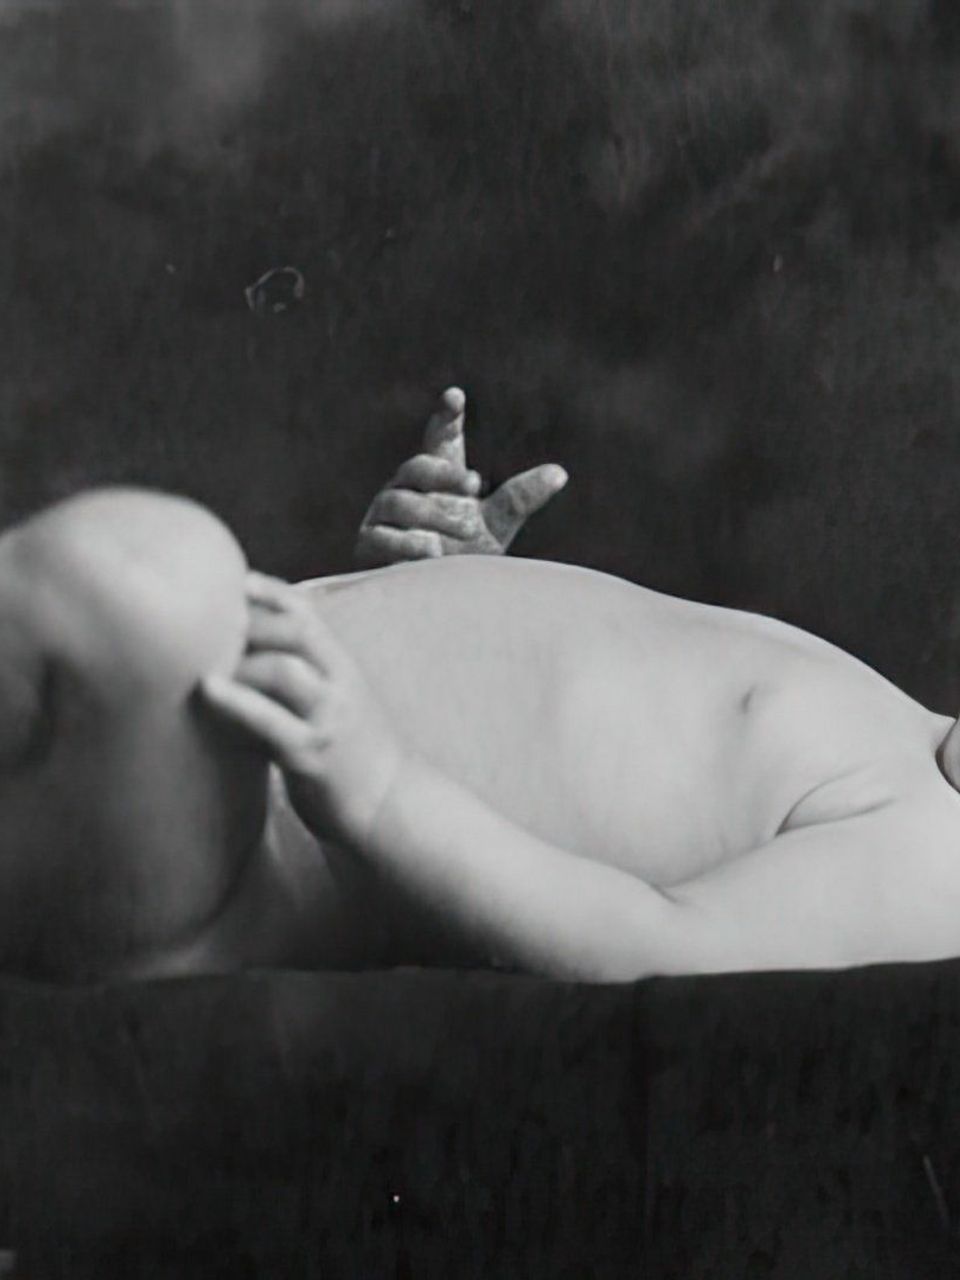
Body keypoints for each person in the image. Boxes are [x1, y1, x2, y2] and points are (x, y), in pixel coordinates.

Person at [1, 390, 958, 985]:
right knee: (133, 595)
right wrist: (440, 588)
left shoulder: (936, 863)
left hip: (235, 861)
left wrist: (383, 789)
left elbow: (660, 950)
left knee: (141, 578)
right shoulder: (896, 726)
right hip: (230, 738)